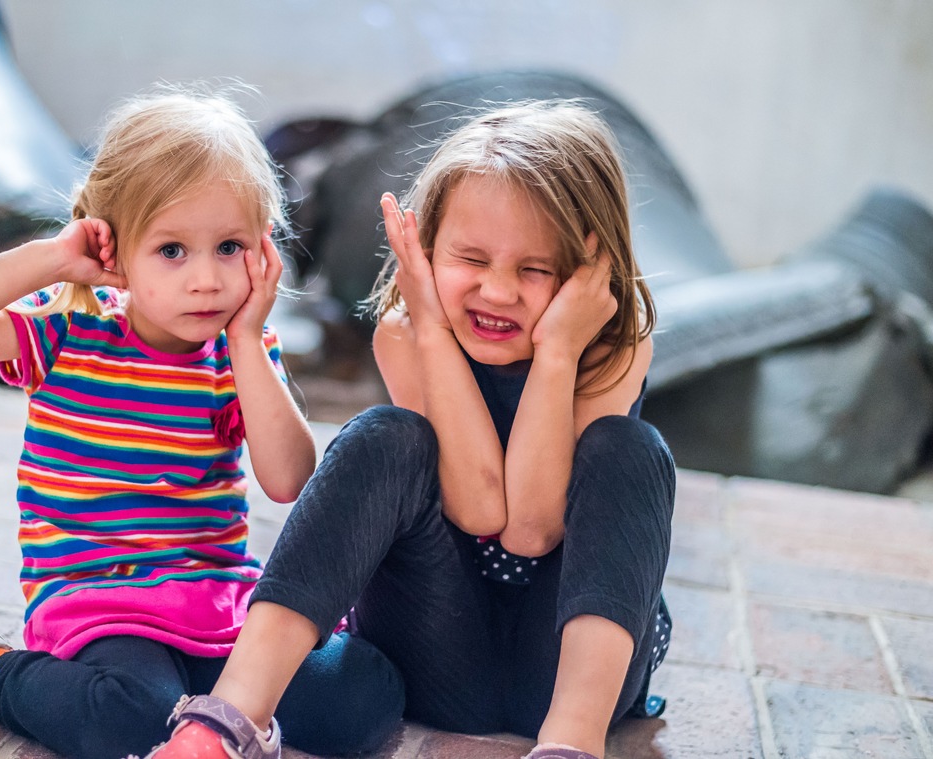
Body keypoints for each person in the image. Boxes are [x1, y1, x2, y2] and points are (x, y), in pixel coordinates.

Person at [0, 88, 404, 759]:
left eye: (230, 246)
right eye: (173, 250)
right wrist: (51, 258)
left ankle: (204, 714)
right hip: (100, 601)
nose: (207, 279)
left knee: (365, 699)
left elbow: (290, 478)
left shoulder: (242, 351)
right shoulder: (71, 328)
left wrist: (247, 342)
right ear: (116, 251)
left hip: (218, 603)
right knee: (124, 719)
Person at [148, 100, 676, 759]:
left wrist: (561, 352)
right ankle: (224, 724)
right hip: (437, 648)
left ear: (590, 270)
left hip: (571, 671)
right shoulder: (408, 332)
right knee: (384, 434)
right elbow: (482, 508)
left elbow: (533, 527)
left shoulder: (612, 346)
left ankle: (571, 745)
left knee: (632, 448)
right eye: (471, 258)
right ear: (426, 249)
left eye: (535, 269)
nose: (497, 290)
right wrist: (429, 327)